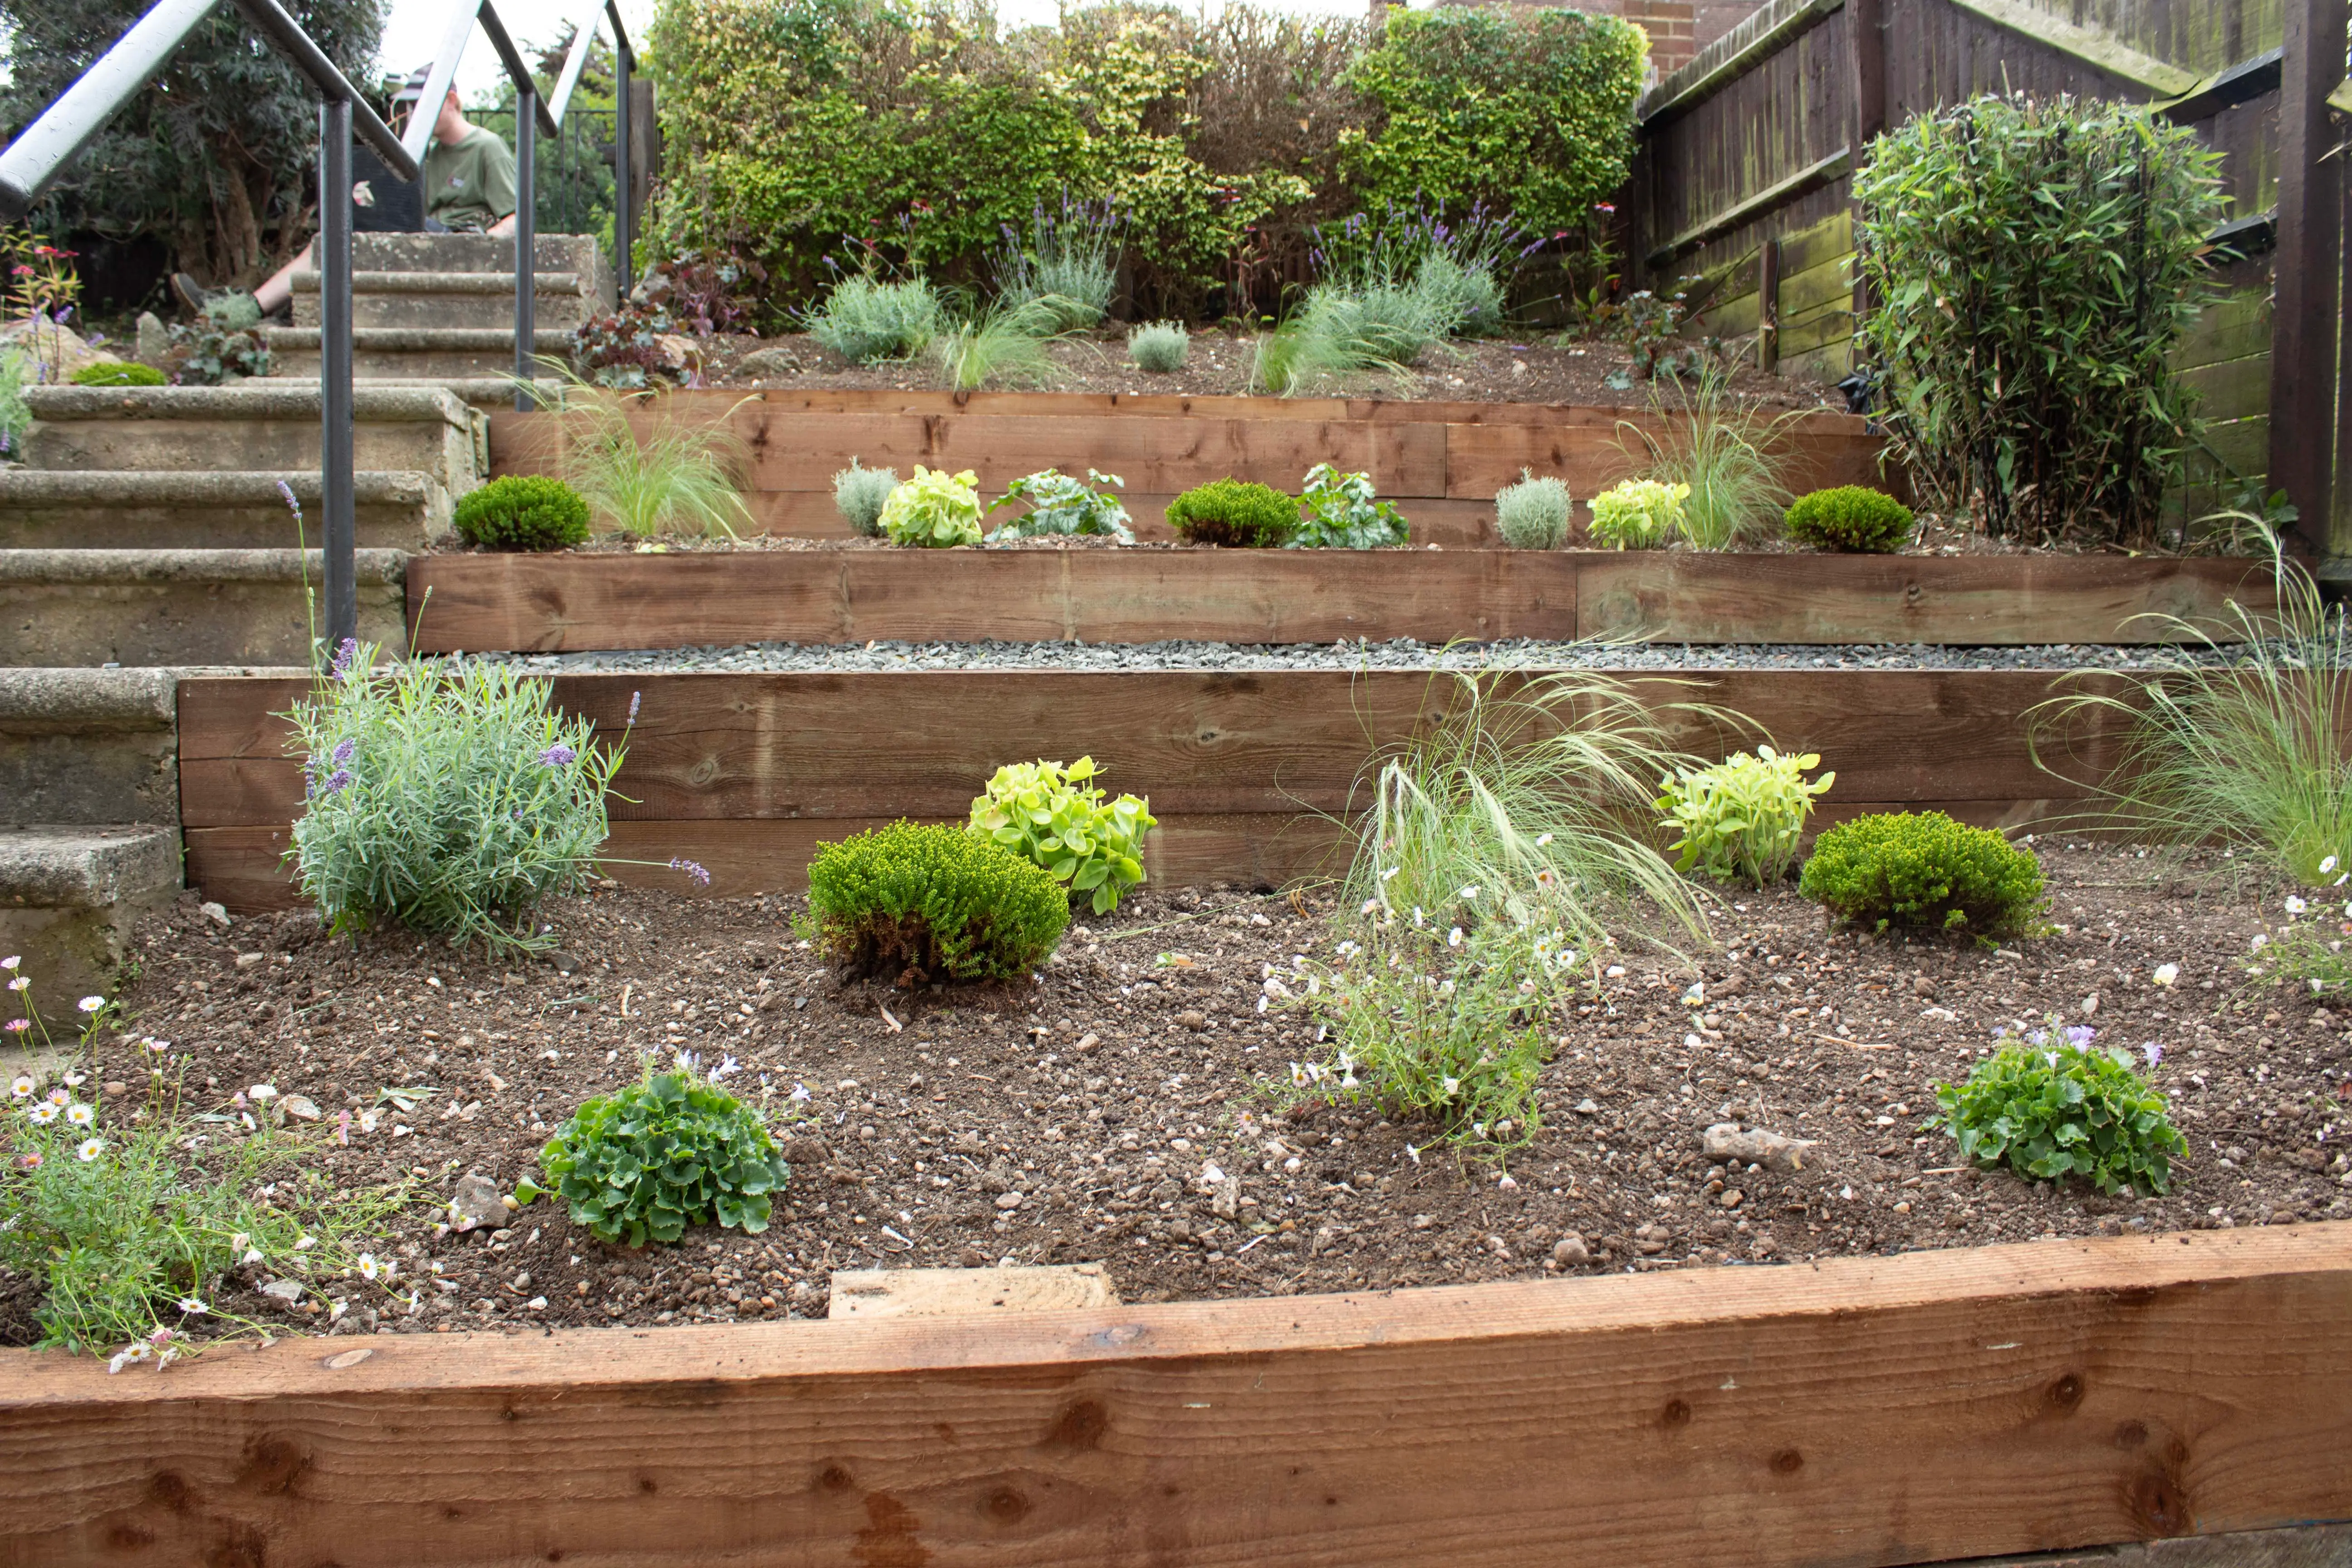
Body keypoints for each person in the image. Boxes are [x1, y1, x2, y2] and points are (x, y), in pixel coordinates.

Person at [172, 69, 520, 324]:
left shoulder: (487, 147)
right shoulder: (424, 154)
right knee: (338, 233)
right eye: (411, 106)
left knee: (348, 236)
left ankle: (248, 311)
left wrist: (483, 244)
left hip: (458, 242)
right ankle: (247, 310)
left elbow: (516, 218)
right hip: (420, 235)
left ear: (451, 102)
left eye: (422, 105)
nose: (413, 115)